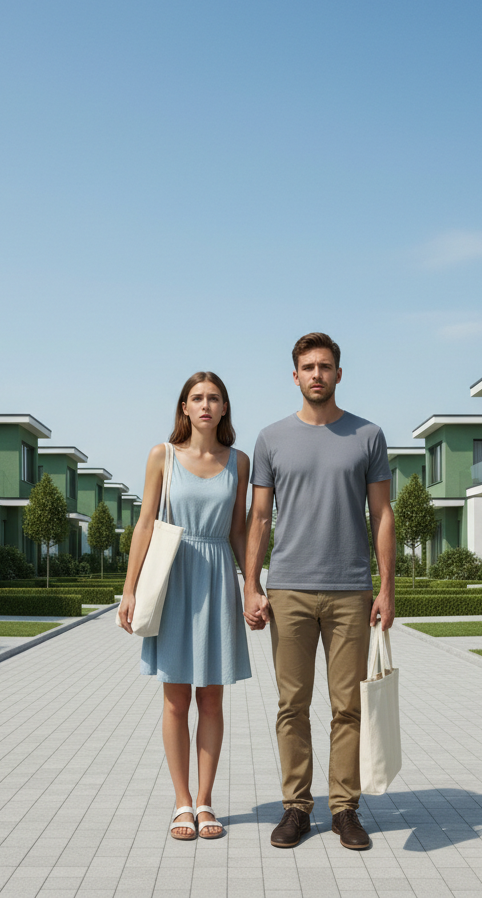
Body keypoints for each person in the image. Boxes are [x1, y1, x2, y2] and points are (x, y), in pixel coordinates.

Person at [244, 332, 395, 850]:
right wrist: (251, 585)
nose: (316, 374)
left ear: (338, 374)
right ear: (295, 376)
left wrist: (386, 588)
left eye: (325, 366)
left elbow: (382, 515)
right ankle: (296, 807)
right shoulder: (271, 439)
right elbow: (259, 518)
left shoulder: (368, 435)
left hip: (351, 589)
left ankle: (345, 809)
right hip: (287, 590)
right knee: (292, 705)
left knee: (347, 706)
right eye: (307, 367)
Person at [118, 372, 252, 842]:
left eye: (214, 398)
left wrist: (252, 584)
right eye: (197, 398)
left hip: (217, 577)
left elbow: (239, 530)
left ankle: (206, 800)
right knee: (176, 699)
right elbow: (144, 525)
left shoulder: (240, 461)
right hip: (173, 576)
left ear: (224, 408)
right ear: (184, 407)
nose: (205, 405)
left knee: (211, 697)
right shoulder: (163, 456)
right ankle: (180, 802)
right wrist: (129, 588)